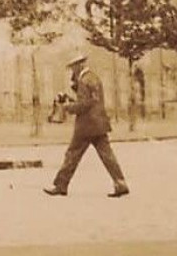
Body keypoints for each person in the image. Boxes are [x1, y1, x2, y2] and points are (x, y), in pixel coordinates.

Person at [44, 55, 129, 198]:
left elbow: (84, 105)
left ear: (79, 66)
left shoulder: (83, 81)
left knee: (72, 154)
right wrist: (72, 98)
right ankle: (120, 183)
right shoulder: (94, 77)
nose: (72, 71)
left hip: (86, 125)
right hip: (99, 123)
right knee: (107, 155)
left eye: (73, 68)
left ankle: (61, 185)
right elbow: (91, 101)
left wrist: (67, 107)